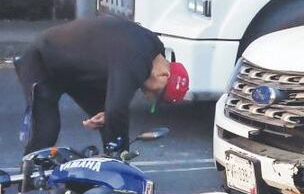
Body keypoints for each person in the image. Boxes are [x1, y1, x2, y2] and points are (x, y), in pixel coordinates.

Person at [15, 17, 189, 153]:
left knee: (110, 119)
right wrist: (121, 155)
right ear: (163, 75)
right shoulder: (137, 60)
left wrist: (108, 112)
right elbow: (117, 109)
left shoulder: (152, 47)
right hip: (42, 59)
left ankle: (109, 169)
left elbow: (115, 104)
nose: (148, 96)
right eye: (156, 94)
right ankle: (28, 186)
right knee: (47, 130)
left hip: (75, 68)